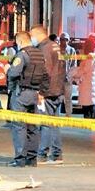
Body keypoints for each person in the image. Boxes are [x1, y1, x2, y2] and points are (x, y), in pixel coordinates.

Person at [7, 32, 46, 167]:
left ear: (20, 42)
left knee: (19, 127)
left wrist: (8, 69)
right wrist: (41, 92)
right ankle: (32, 159)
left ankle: (20, 159)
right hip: (35, 94)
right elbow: (46, 76)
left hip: (21, 94)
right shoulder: (40, 54)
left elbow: (14, 73)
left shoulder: (22, 55)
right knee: (33, 127)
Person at [32, 25, 65, 163]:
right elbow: (62, 68)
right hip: (58, 89)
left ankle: (42, 154)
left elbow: (45, 71)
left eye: (32, 35)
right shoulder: (55, 46)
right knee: (54, 123)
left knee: (45, 123)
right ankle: (57, 154)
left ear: (39, 34)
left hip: (48, 91)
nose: (31, 38)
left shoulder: (44, 49)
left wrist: (41, 92)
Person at [71, 34, 95, 118]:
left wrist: (75, 72)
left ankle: (90, 120)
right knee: (92, 105)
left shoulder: (91, 56)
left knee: (88, 106)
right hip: (92, 84)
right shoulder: (94, 55)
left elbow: (86, 69)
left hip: (88, 84)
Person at [58, 32, 77, 116]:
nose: (64, 42)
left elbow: (73, 64)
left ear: (68, 41)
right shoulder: (56, 50)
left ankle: (68, 114)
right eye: (62, 40)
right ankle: (56, 114)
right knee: (57, 98)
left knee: (68, 98)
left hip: (67, 79)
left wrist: (70, 76)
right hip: (58, 79)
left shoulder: (71, 50)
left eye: (66, 40)